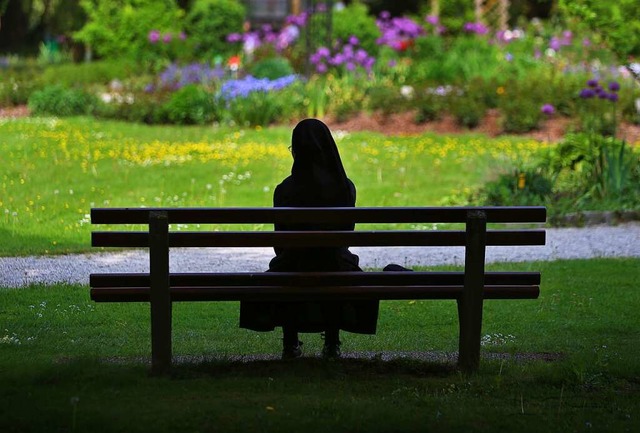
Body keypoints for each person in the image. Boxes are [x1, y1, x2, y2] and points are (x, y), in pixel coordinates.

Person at [239, 118, 379, 359]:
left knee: (289, 265)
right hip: (336, 268)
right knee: (333, 263)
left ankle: (290, 343)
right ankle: (332, 342)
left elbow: (279, 242)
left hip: (293, 267)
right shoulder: (345, 188)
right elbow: (346, 236)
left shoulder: (285, 190)